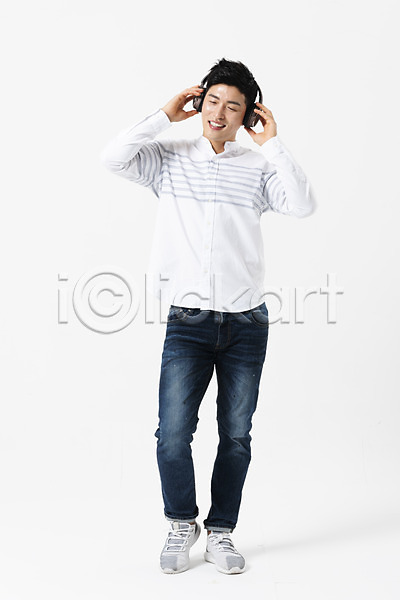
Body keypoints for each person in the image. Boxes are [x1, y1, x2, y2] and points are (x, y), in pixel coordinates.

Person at [101, 58, 314, 575]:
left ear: (248, 115)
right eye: (213, 101)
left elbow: (303, 205)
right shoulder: (169, 158)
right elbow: (113, 157)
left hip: (246, 324)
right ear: (199, 104)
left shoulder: (257, 167)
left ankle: (221, 532)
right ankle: (181, 522)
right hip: (188, 322)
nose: (219, 113)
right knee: (172, 435)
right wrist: (164, 115)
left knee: (236, 435)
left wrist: (272, 144)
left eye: (233, 106)